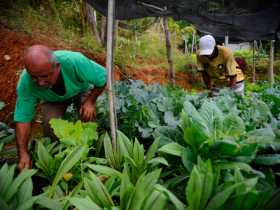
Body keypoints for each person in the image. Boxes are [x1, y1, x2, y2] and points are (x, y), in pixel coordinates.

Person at [15, 45, 106, 172]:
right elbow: (23, 120)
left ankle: (87, 160)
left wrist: (90, 102)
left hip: (81, 89)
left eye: (45, 76)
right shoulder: (26, 83)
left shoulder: (75, 61)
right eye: (35, 78)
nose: (40, 83)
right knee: (49, 121)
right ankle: (57, 160)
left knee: (87, 119)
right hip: (51, 98)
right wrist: (23, 153)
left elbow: (102, 77)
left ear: (57, 67)